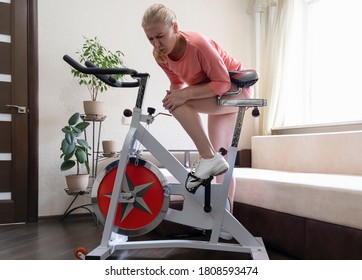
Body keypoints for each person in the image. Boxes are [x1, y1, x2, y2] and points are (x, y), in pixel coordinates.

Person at [141, 4, 252, 235]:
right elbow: (177, 83)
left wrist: (183, 96)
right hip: (212, 93)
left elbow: (221, 82)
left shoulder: (198, 44)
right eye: (150, 38)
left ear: (175, 27)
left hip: (234, 89)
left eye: (160, 36)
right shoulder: (160, 55)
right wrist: (175, 94)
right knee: (221, 161)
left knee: (181, 105)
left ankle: (206, 157)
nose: (156, 44)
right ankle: (226, 222)